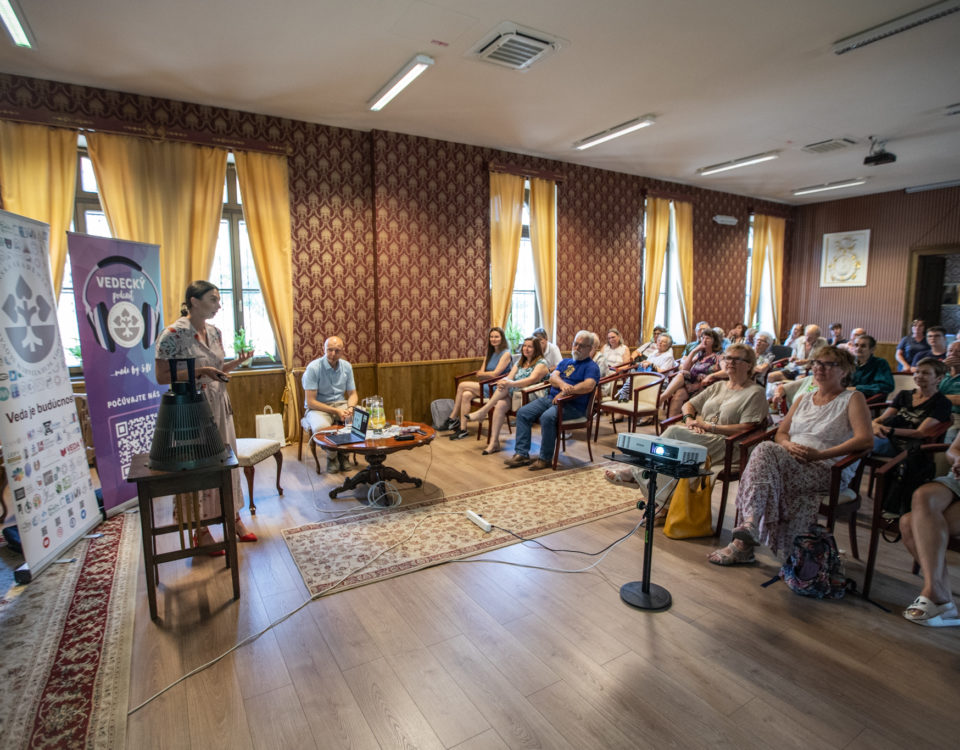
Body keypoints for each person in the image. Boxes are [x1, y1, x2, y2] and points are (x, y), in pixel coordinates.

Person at [708, 345, 872, 565]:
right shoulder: (803, 398)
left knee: (763, 454)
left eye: (827, 364)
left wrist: (820, 454)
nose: (819, 368)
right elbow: (781, 434)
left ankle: (746, 535)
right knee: (766, 451)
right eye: (816, 363)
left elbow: (865, 440)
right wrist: (787, 445)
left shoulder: (852, 398)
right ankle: (748, 529)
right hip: (791, 462)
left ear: (844, 370)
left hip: (826, 468)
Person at [605, 344, 767, 516]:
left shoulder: (755, 392)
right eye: (728, 358)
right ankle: (664, 502)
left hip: (729, 445)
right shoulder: (718, 386)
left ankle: (637, 474)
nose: (730, 362)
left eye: (737, 359)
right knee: (671, 453)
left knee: (674, 433)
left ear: (749, 365)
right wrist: (689, 419)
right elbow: (688, 404)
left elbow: (748, 427)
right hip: (703, 436)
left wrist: (710, 426)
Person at [155, 280, 257, 549]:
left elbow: (218, 368)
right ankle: (199, 529)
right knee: (199, 466)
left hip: (219, 404)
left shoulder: (215, 332)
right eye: (213, 299)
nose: (218, 305)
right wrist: (200, 373)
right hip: (191, 409)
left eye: (218, 299)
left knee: (226, 461)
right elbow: (161, 376)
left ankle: (233, 518)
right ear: (193, 301)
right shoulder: (172, 334)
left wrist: (238, 361)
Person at [504, 331, 600, 471]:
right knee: (523, 412)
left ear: (590, 348)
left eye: (581, 346)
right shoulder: (566, 362)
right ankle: (522, 454)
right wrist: (562, 385)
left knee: (547, 417)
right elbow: (552, 378)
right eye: (575, 344)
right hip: (551, 399)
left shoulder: (591, 366)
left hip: (573, 406)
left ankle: (545, 458)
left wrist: (565, 392)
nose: (576, 348)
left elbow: (588, 385)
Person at [899, 430, 960, 627]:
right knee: (922, 496)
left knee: (910, 523)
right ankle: (939, 594)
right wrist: (958, 459)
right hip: (956, 481)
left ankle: (939, 597)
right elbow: (954, 449)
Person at [465, 337, 549, 455]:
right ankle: (494, 442)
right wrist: (504, 381)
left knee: (505, 386)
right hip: (516, 395)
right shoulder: (520, 362)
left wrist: (509, 383)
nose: (526, 349)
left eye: (530, 346)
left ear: (536, 349)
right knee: (500, 404)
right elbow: (509, 376)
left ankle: (483, 411)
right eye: (524, 346)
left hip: (531, 396)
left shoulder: (542, 364)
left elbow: (530, 381)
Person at [871, 358, 950, 458]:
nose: (919, 376)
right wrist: (874, 424)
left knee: (861, 442)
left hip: (908, 447)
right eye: (917, 372)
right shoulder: (904, 394)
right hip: (887, 437)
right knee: (856, 437)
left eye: (925, 373)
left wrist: (887, 430)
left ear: (939, 378)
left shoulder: (942, 402)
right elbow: (883, 418)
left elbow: (920, 433)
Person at [303, 336, 359, 472]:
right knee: (321, 427)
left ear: (342, 351)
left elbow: (352, 394)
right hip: (318, 407)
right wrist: (336, 412)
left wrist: (350, 408)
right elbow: (311, 402)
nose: (333, 354)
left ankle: (345, 455)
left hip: (341, 404)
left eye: (337, 351)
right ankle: (332, 457)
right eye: (329, 350)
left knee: (361, 418)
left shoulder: (347, 367)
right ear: (324, 349)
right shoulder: (313, 368)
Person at [446, 327, 512, 439]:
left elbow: (495, 374)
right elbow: (481, 372)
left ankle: (453, 416)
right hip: (485, 384)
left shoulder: (506, 354)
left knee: (462, 385)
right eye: (491, 337)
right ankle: (463, 429)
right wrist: (485, 374)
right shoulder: (489, 353)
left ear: (502, 338)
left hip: (496, 388)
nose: (493, 339)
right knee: (466, 395)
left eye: (496, 336)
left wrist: (484, 374)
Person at [660, 327, 723, 417]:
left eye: (708, 338)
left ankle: (663, 397)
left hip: (705, 385)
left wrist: (711, 376)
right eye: (703, 337)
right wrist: (694, 350)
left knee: (681, 382)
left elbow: (725, 371)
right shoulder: (700, 354)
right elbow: (685, 368)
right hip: (691, 383)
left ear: (714, 341)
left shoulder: (719, 356)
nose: (704, 340)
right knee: (678, 393)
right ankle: (669, 424)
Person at [849, 334, 894, 400]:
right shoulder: (848, 363)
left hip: (867, 401)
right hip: (847, 398)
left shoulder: (880, 363)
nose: (858, 348)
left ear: (872, 349)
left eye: (863, 346)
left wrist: (857, 388)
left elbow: (887, 386)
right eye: (856, 345)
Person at [597, 328, 629, 396]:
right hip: (604, 370)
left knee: (603, 375)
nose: (611, 339)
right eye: (609, 338)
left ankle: (602, 393)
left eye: (613, 337)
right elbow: (599, 360)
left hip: (617, 372)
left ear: (619, 337)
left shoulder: (624, 348)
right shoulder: (605, 347)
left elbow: (626, 365)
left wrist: (615, 369)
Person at [939, 341, 960, 442]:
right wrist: (941, 369)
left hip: (956, 416)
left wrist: (935, 398)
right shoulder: (942, 372)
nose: (953, 354)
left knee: (950, 438)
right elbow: (923, 392)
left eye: (958, 351)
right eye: (950, 351)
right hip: (933, 412)